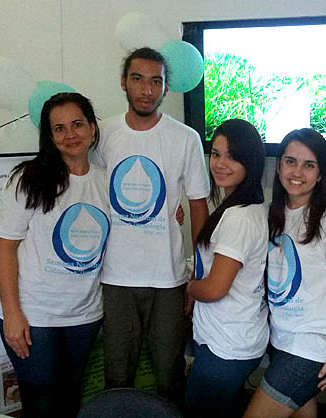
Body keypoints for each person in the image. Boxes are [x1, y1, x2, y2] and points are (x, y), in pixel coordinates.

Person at [95, 47, 210, 405]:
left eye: (155, 81)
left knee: (169, 373)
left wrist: (198, 276)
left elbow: (197, 207)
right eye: (138, 79)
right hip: (115, 277)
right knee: (117, 375)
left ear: (165, 87)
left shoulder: (185, 138)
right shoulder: (102, 134)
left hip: (169, 278)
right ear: (123, 83)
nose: (147, 89)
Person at [0, 92, 109, 418]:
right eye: (59, 129)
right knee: (41, 401)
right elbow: (4, 247)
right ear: (50, 136)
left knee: (70, 396)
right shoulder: (28, 179)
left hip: (84, 315)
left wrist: (174, 215)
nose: (70, 135)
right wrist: (12, 314)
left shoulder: (106, 180)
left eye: (77, 125)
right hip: (34, 316)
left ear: (92, 128)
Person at [243, 128, 326, 418]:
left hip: (311, 347)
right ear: (279, 165)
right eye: (290, 161)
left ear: (321, 174)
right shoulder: (274, 213)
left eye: (309, 165)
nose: (297, 171)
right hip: (281, 340)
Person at [184, 119, 268, 417]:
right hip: (236, 338)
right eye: (216, 153)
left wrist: (189, 286)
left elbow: (216, 288)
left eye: (232, 156)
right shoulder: (247, 208)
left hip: (227, 346)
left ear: (250, 161)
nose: (220, 163)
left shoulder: (239, 218)